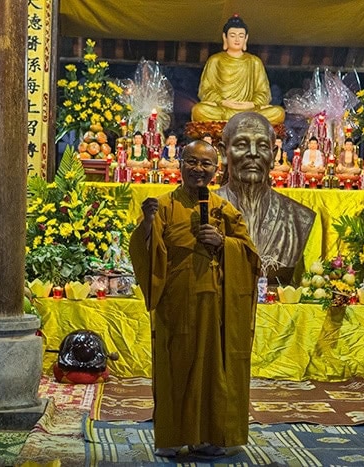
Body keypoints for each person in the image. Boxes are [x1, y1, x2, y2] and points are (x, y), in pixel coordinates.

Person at [129, 140, 260, 459]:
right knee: (175, 367)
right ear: (180, 164)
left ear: (217, 170)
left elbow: (251, 258)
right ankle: (172, 437)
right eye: (192, 162)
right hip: (174, 301)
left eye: (206, 164)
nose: (198, 169)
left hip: (215, 306)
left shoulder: (225, 209)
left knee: (214, 370)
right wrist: (147, 224)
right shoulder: (161, 206)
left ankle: (211, 436)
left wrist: (223, 242)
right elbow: (145, 253)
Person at [216, 112, 316, 284]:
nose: (253, 153)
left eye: (262, 146)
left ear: (273, 155)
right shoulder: (205, 209)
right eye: (242, 144)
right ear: (224, 153)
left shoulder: (299, 218)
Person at [191, 15, 285, 125]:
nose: (237, 39)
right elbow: (205, 89)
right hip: (223, 108)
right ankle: (243, 122)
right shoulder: (215, 60)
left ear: (246, 38)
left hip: (249, 110)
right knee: (199, 110)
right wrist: (224, 102)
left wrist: (252, 104)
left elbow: (263, 92)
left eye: (241, 36)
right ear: (225, 37)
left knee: (278, 112)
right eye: (232, 35)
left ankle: (239, 120)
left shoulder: (254, 61)